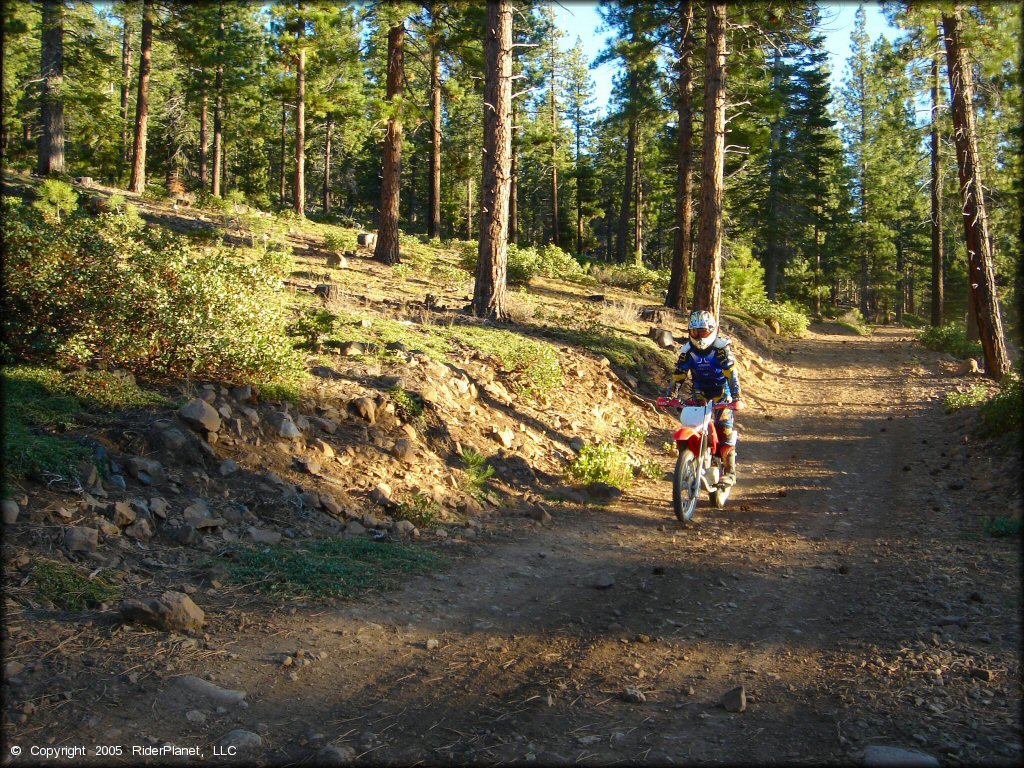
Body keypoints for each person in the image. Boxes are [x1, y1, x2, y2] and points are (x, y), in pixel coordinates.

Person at [670, 309, 745, 485]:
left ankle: (730, 471)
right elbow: (679, 375)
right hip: (700, 390)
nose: (699, 336)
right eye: (695, 332)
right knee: (693, 423)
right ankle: (691, 460)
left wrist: (737, 397)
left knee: (724, 427)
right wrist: (670, 395)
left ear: (712, 330)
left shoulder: (721, 349)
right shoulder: (687, 352)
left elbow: (731, 375)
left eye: (703, 331)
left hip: (722, 391)